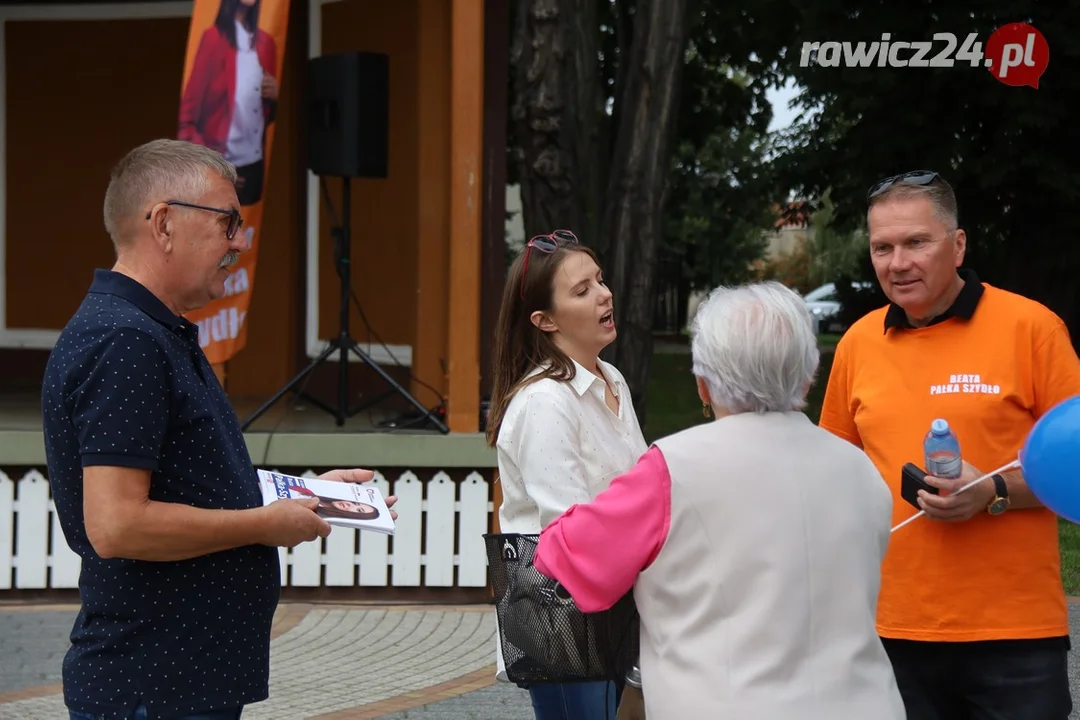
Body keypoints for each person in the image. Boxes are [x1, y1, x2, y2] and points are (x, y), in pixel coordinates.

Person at [41, 138, 395, 720]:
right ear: (163, 223)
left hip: (173, 679)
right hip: (154, 682)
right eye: (228, 222)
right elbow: (117, 524)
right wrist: (263, 525)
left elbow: (187, 483)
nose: (239, 241)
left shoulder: (152, 330)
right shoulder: (128, 340)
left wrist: (306, 497)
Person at [532, 281, 906, 720]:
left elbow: (566, 558)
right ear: (808, 376)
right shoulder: (859, 468)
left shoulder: (671, 470)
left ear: (703, 384)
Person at [819, 170, 1080, 719]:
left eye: (917, 241)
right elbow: (831, 477)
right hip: (891, 631)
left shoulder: (1032, 329)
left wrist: (992, 491)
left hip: (1015, 637)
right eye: (882, 247)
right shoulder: (859, 343)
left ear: (957, 244)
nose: (898, 262)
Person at [485, 229, 649, 720]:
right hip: (564, 618)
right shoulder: (544, 402)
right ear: (545, 320)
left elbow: (640, 488)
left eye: (599, 281)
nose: (604, 294)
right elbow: (574, 530)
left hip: (619, 607)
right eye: (582, 290)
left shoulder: (610, 377)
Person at [178, 0, 278, 206]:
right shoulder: (213, 40)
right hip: (222, 165)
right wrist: (215, 166)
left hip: (255, 166)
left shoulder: (266, 43)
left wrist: (275, 98)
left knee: (250, 232)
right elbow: (187, 117)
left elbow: (264, 118)